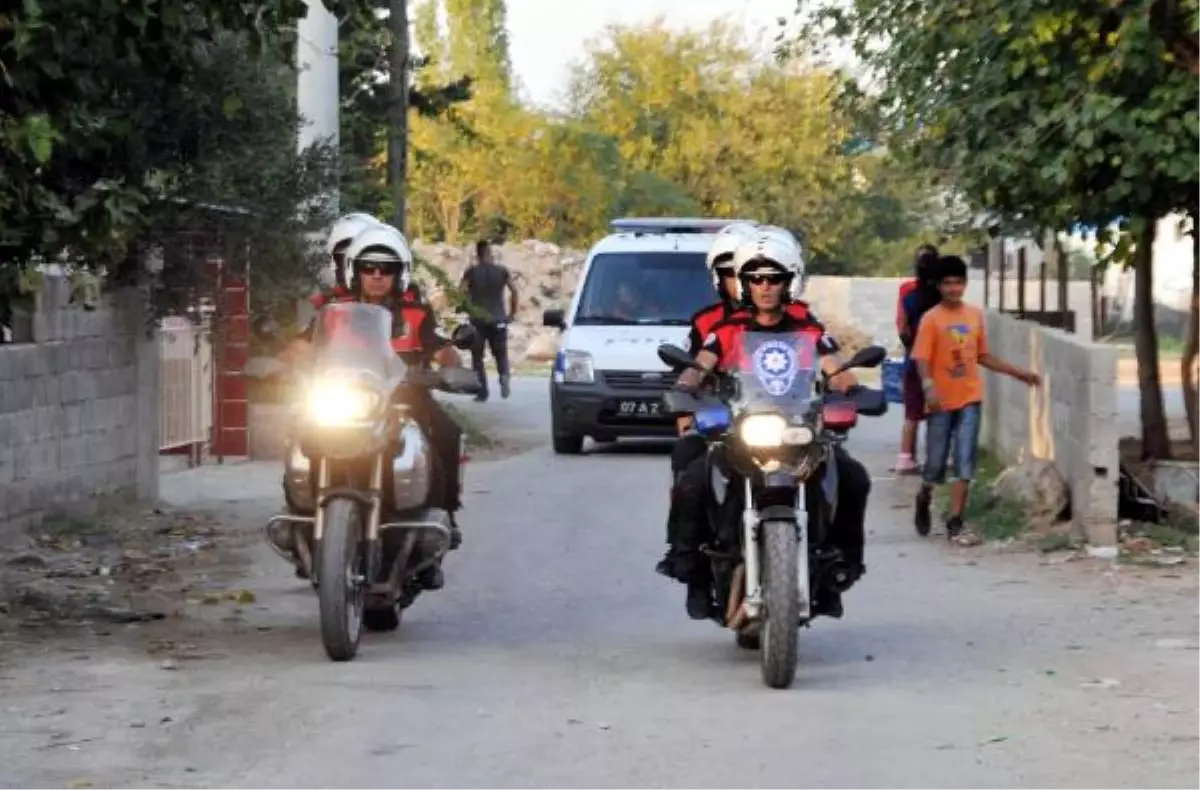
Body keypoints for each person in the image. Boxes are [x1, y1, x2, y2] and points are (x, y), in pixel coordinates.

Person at [663, 230, 872, 621]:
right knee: (693, 477)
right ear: (744, 283)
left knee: (852, 476)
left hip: (798, 427)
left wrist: (852, 389)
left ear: (788, 282)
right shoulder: (728, 328)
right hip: (743, 426)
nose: (764, 287)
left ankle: (839, 566)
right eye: (756, 278)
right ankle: (690, 567)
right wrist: (685, 389)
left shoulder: (806, 326)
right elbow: (702, 364)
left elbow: (833, 366)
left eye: (773, 278)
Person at [286, 223, 473, 590]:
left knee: (447, 433)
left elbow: (440, 349)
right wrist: (282, 364)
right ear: (355, 270)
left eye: (385, 269)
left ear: (398, 274)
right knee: (300, 436)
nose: (376, 276)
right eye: (369, 268)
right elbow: (304, 345)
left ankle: (445, 519)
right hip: (344, 400)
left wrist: (451, 369)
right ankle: (301, 520)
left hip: (404, 401)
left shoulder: (416, 313)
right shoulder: (336, 310)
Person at [910, 255, 1041, 545]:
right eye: (947, 284)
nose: (953, 289)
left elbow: (982, 355)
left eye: (958, 283)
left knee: (965, 460)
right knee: (935, 463)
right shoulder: (931, 319)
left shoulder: (973, 316)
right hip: (940, 402)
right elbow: (920, 357)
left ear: (965, 284)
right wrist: (929, 386)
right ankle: (925, 493)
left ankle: (956, 519)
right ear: (939, 286)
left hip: (970, 397)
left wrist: (1018, 373)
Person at [655, 221, 758, 579]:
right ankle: (686, 555)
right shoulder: (708, 324)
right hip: (722, 420)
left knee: (841, 469)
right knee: (689, 461)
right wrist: (687, 416)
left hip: (782, 420)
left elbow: (818, 366)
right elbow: (690, 375)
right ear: (719, 278)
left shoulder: (797, 320)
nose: (742, 282)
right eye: (732, 274)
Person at [893, 244, 941, 474]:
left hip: (913, 358)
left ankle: (905, 458)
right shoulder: (943, 295)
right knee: (937, 411)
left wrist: (910, 346)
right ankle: (935, 457)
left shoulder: (908, 292)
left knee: (912, 412)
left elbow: (902, 326)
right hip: (938, 361)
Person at [459, 239, 519, 402]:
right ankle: (504, 375)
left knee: (477, 356)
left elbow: (461, 292)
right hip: (498, 318)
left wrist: (468, 307)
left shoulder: (471, 272)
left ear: (477, 254)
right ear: (489, 252)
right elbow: (514, 291)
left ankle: (482, 391)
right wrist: (512, 313)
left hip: (478, 320)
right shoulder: (501, 271)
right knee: (501, 353)